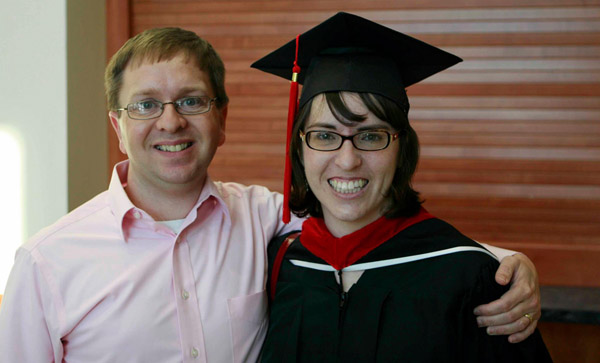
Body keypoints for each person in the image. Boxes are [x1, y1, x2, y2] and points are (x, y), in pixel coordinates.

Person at [0, 26, 538, 362]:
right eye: (145, 105)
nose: (170, 122)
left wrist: (501, 263)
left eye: (192, 101)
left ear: (221, 118)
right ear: (117, 123)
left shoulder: (265, 222)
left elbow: (378, 229)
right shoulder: (47, 264)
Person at [253, 12, 551, 361]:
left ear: (401, 148)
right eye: (324, 135)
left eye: (371, 135)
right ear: (300, 148)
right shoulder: (281, 264)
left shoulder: (471, 277)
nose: (347, 160)